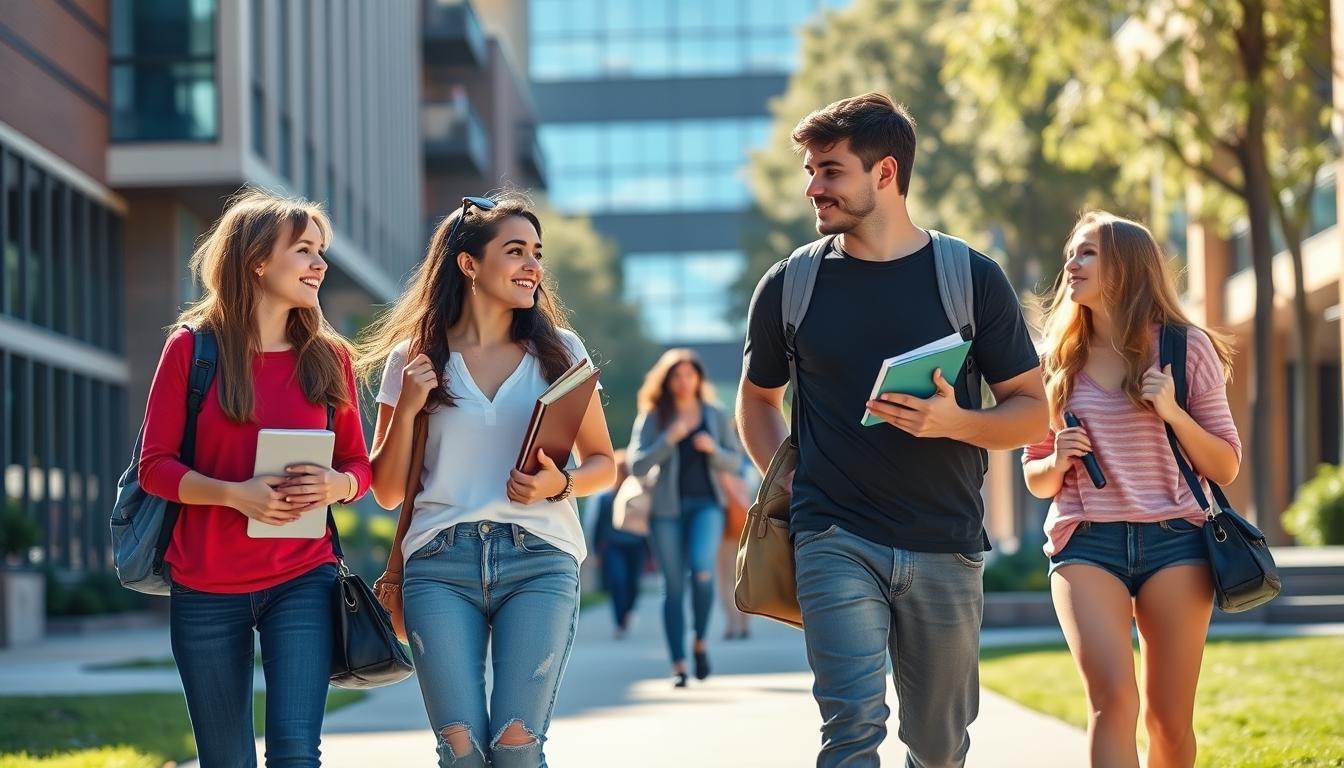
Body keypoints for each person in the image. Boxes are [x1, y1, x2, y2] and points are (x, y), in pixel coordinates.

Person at [736, 92, 1048, 767]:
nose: (813, 188)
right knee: (850, 727)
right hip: (832, 536)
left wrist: (957, 422)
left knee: (939, 745)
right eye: (811, 172)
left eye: (831, 171)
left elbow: (1031, 410)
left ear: (885, 173)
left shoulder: (970, 279)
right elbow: (758, 399)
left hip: (945, 540)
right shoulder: (791, 285)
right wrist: (788, 479)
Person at [357, 193, 616, 768]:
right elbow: (388, 490)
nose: (532, 266)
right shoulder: (413, 358)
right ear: (469, 263)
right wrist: (409, 405)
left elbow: (604, 462)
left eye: (537, 253)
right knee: (462, 751)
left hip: (539, 559)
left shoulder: (561, 351)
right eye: (515, 251)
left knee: (516, 747)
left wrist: (558, 486)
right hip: (438, 565)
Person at [138, 189, 372, 767]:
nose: (320, 263)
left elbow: (358, 465)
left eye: (320, 250)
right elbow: (155, 468)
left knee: (296, 753)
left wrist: (337, 486)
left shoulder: (330, 357)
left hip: (303, 576)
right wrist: (234, 495)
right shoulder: (192, 350)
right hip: (205, 584)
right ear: (257, 261)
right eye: (304, 250)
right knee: (226, 759)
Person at [1022, 211, 1240, 768]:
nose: (1072, 264)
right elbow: (1036, 477)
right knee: (1112, 701)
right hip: (1086, 542)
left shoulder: (1185, 349)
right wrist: (1058, 458)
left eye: (1087, 252)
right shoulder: (1055, 361)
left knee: (1168, 720)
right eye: (1071, 253)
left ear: (1126, 264)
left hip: (1178, 542)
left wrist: (1172, 411)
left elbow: (1225, 465)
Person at [628, 348, 744, 687]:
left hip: (707, 505)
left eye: (689, 375)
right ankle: (678, 663)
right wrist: (669, 439)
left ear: (698, 379)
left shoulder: (714, 414)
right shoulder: (654, 417)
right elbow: (637, 465)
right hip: (666, 512)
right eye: (676, 376)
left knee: (703, 571)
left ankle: (700, 641)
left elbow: (734, 460)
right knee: (674, 587)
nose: (683, 381)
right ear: (666, 381)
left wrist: (713, 449)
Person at [586, 450, 648, 639]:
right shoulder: (604, 498)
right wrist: (596, 551)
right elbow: (597, 526)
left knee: (633, 583)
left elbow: (646, 523)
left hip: (635, 545)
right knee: (618, 581)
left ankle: (628, 613)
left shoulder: (637, 495)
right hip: (612, 547)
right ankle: (620, 622)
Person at [716, 426, 756, 641]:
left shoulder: (720, 460)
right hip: (748, 523)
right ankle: (743, 623)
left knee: (725, 577)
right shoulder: (753, 460)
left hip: (725, 522)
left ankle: (733, 623)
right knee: (743, 575)